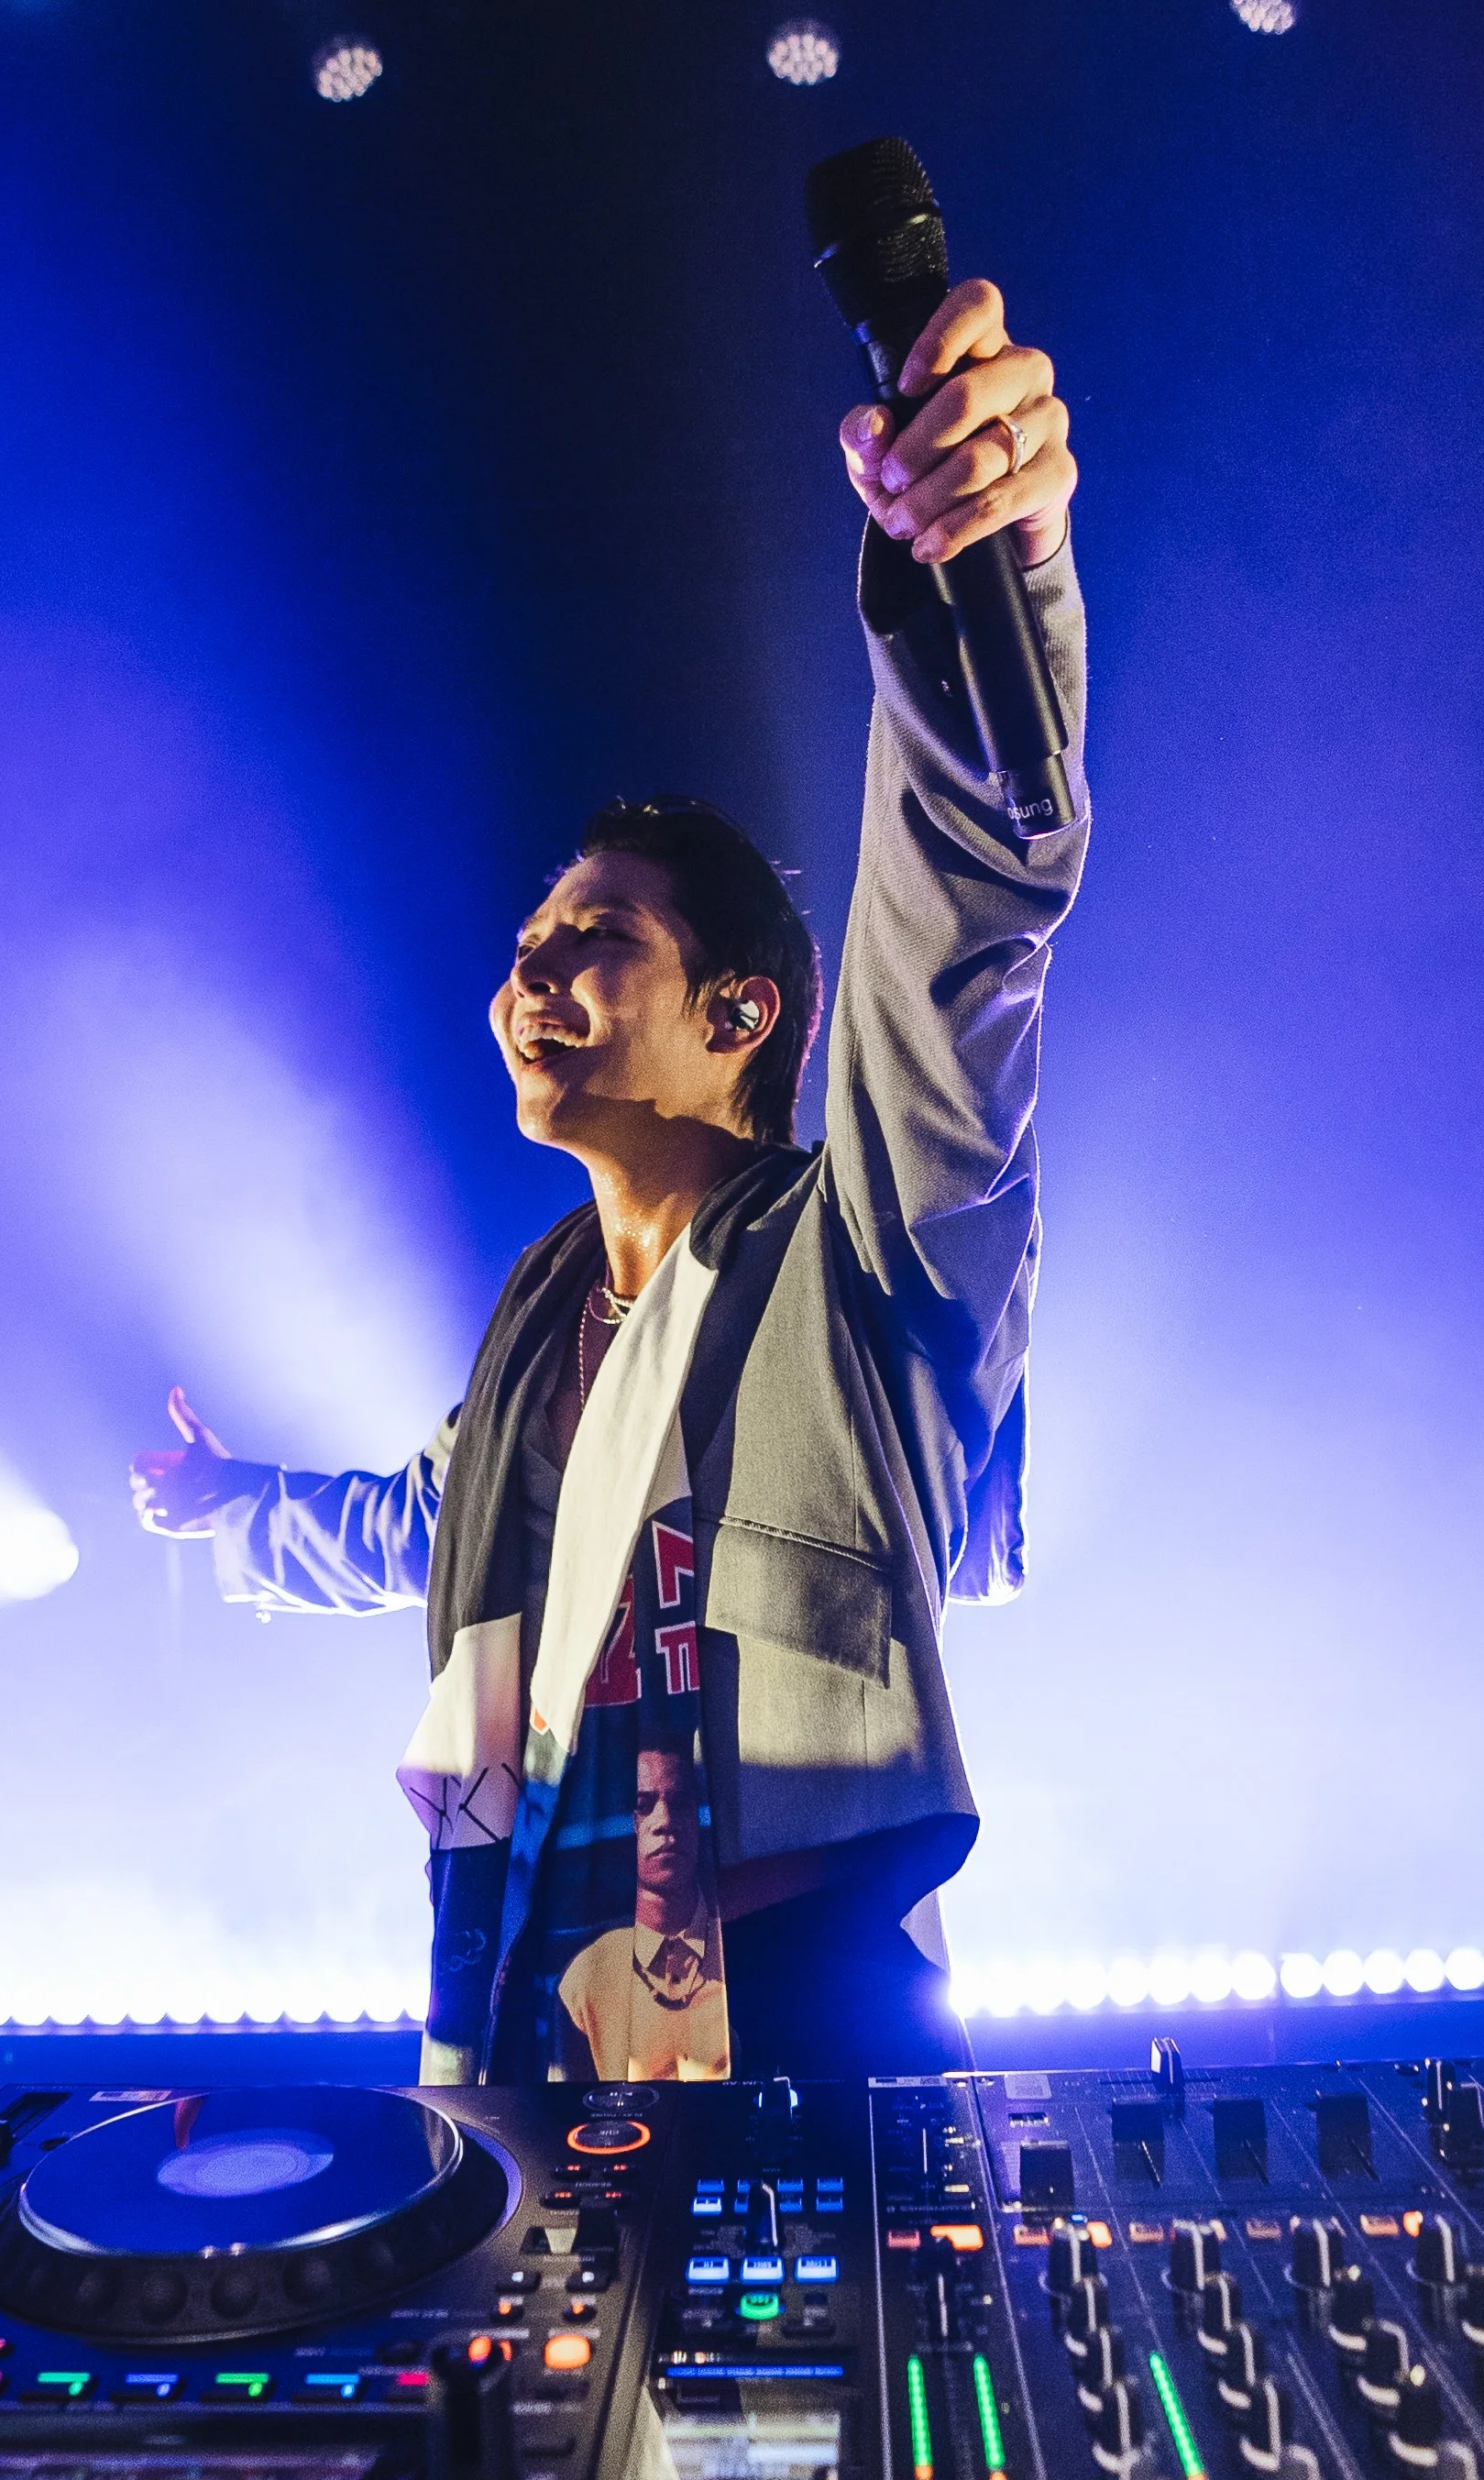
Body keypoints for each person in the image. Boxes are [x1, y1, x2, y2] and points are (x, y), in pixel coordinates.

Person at [133, 270, 1086, 2081]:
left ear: (742, 1008)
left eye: (592, 939)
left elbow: (966, 904)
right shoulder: (542, 1324)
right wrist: (226, 1501)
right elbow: (411, 1530)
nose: (529, 978)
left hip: (799, 2019)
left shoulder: (860, 1251)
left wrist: (983, 565)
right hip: (514, 2023)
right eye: (523, 944)